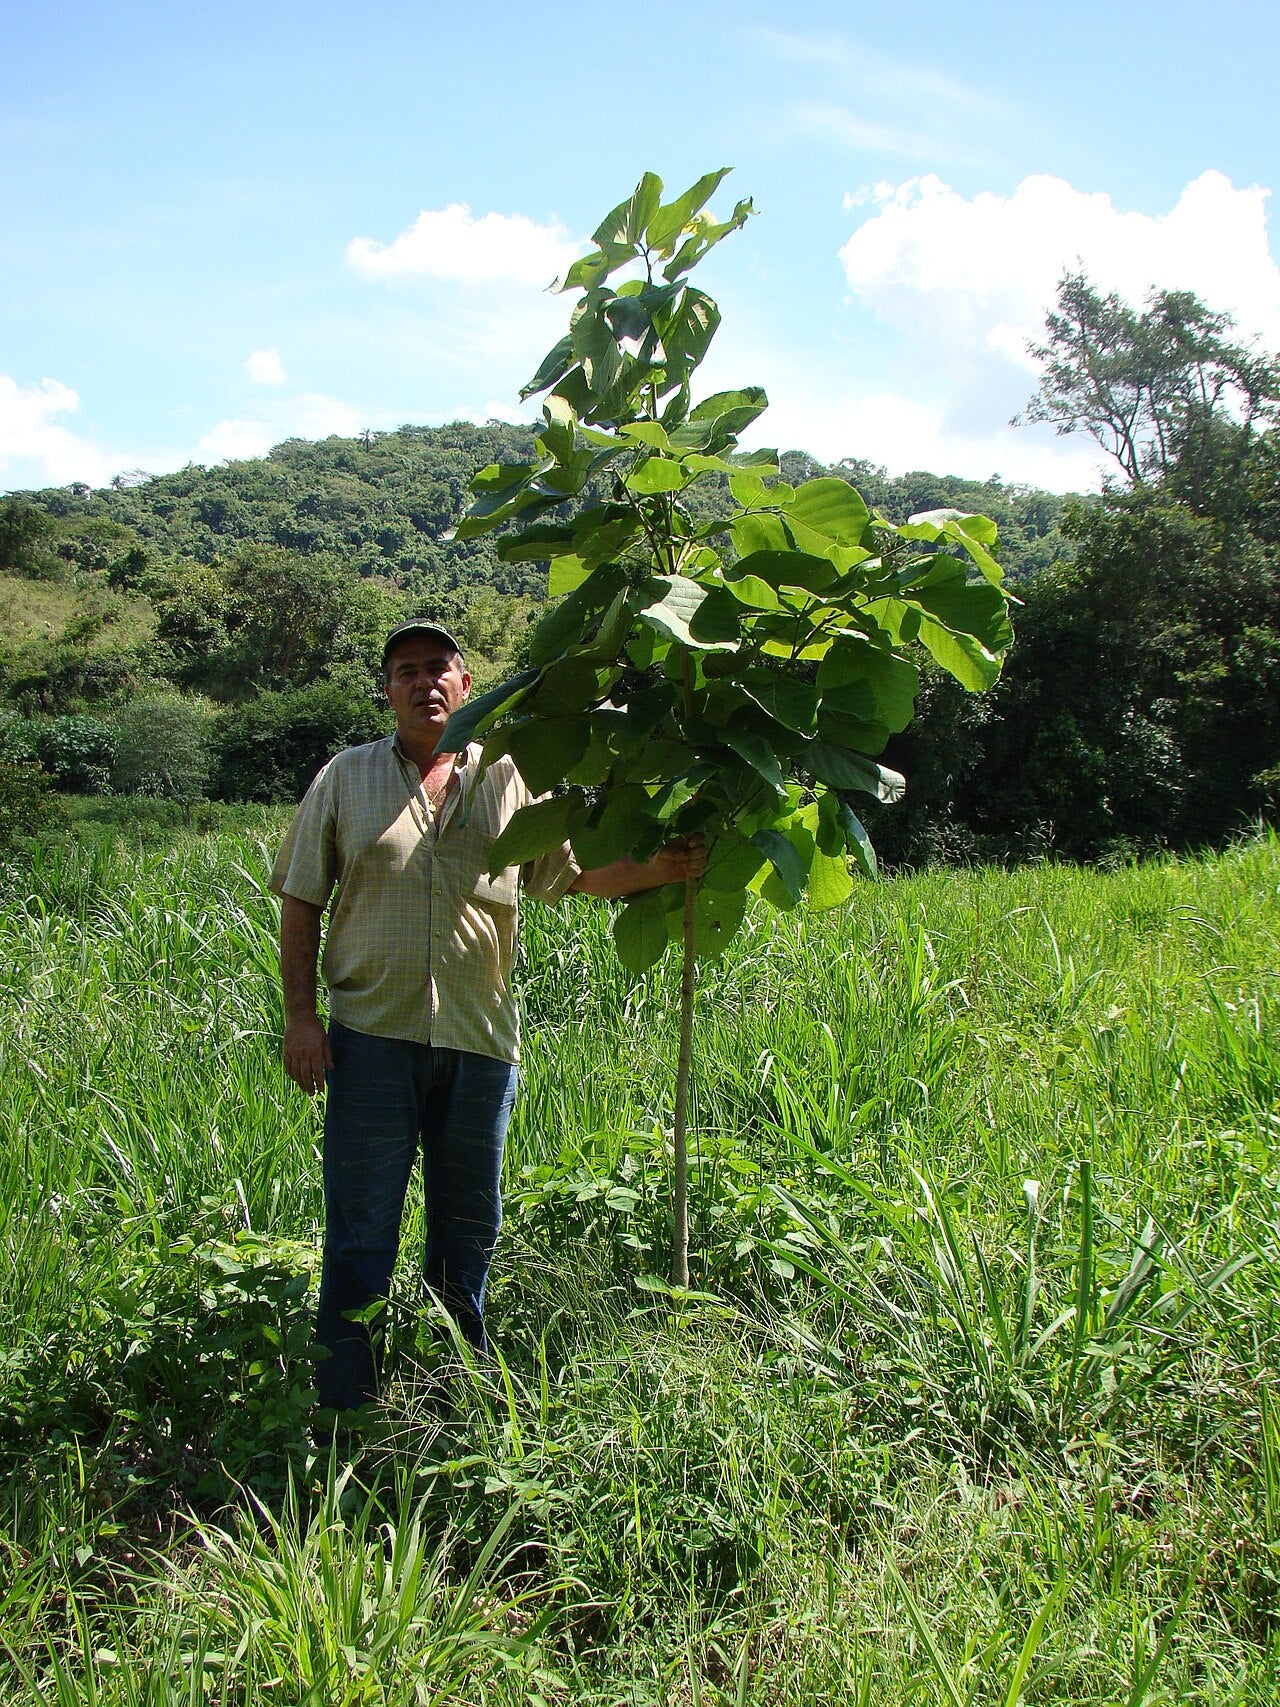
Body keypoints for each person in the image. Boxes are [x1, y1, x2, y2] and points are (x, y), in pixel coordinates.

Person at [271, 618, 703, 1416]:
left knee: (466, 1234)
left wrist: (661, 868)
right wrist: (302, 1018)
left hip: (480, 1046)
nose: (424, 680)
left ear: (467, 685)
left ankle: (448, 1402)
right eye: (405, 670)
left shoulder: (508, 777)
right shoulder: (345, 777)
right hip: (369, 1041)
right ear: (387, 690)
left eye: (440, 666)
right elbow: (301, 897)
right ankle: (344, 1408)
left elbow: (571, 875)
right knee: (361, 1232)